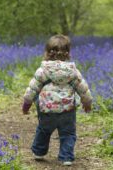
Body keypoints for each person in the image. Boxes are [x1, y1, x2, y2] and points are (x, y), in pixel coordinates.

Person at [22, 35, 92, 166]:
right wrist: (87, 103)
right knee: (68, 133)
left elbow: (32, 89)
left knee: (43, 130)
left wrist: (26, 104)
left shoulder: (42, 71)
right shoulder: (73, 71)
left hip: (47, 110)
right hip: (67, 111)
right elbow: (83, 89)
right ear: (68, 53)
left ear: (47, 53)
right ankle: (66, 157)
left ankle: (39, 152)